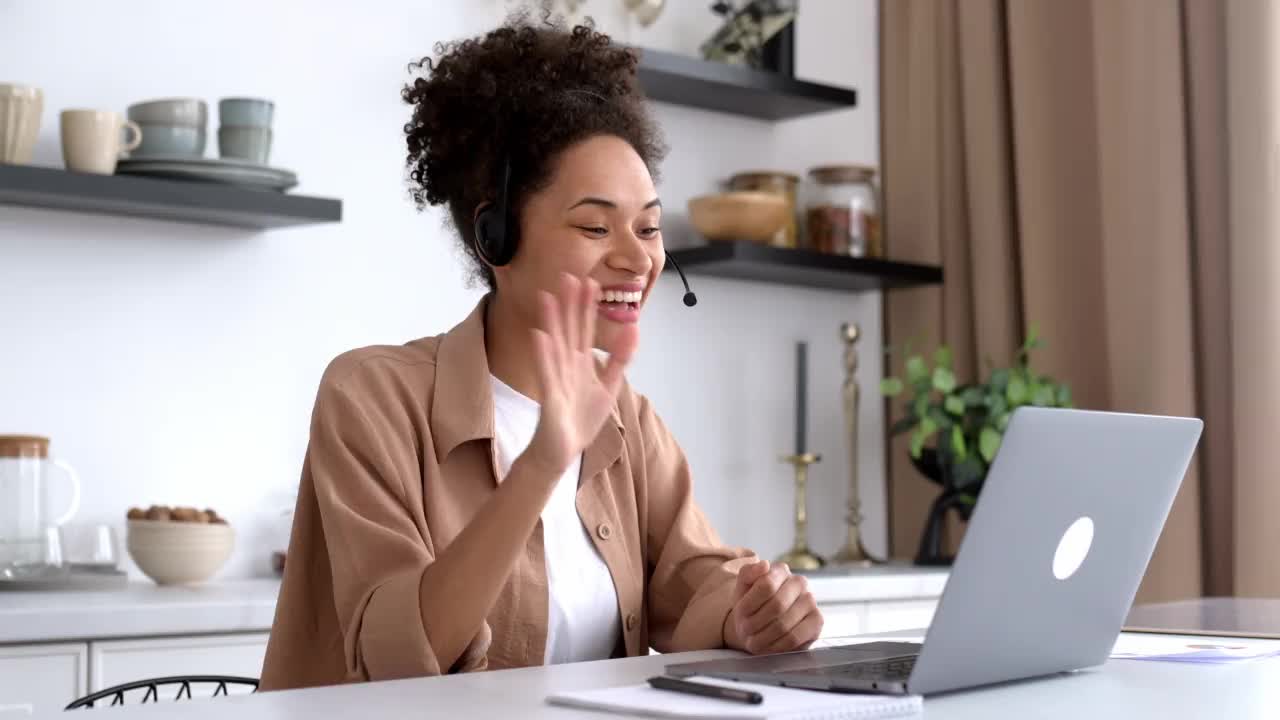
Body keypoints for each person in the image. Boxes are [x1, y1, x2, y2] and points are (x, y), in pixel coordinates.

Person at [259, 15, 823, 691]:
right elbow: (399, 660)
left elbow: (693, 582)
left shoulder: (628, 421)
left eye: (648, 227)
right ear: (494, 236)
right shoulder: (370, 396)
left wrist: (752, 613)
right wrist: (542, 463)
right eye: (594, 226)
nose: (637, 258)